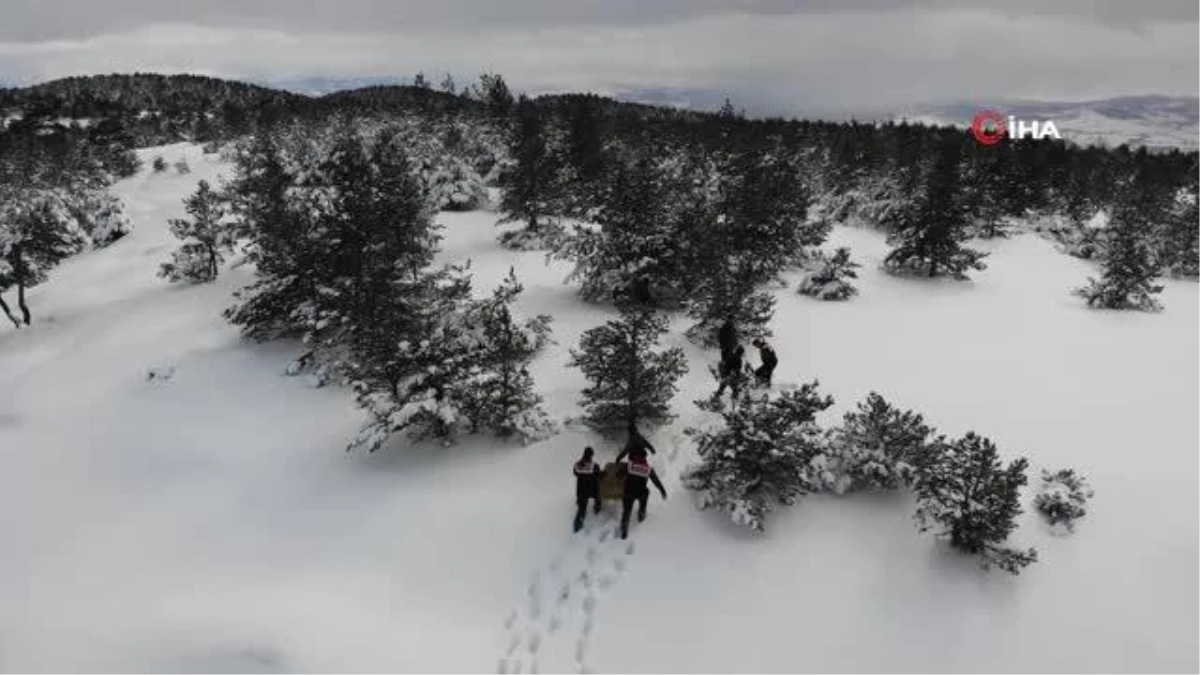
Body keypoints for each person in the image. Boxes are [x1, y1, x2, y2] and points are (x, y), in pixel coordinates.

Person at [619, 454, 667, 539]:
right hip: (641, 493)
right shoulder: (648, 469)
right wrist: (662, 491)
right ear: (645, 458)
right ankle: (641, 515)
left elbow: (619, 475)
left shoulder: (629, 465)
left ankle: (624, 529)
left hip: (628, 492)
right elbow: (656, 482)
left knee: (627, 510)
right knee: (644, 497)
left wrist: (623, 472)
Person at [573, 447, 602, 532]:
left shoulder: (577, 465)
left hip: (581, 492)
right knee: (598, 498)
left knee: (581, 509)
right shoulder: (595, 466)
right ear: (591, 455)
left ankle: (577, 527)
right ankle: (597, 509)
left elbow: (575, 472)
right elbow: (599, 475)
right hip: (592, 490)